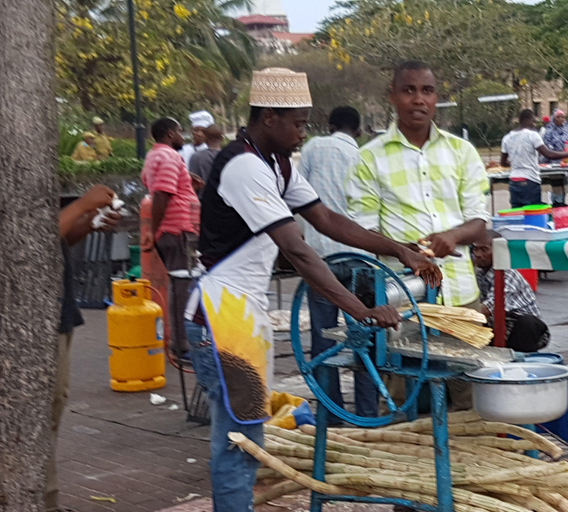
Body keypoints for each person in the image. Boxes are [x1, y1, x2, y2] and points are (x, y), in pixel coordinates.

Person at [186, 67, 440, 512]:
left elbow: (327, 221)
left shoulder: (277, 164)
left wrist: (400, 250)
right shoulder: (245, 166)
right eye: (298, 123)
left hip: (242, 314)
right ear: (269, 117)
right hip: (221, 316)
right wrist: (360, 309)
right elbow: (298, 250)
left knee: (248, 434)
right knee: (238, 442)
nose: (305, 132)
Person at [347, 61, 489, 412]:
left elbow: (480, 220)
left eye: (427, 91)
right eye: (408, 90)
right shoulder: (368, 159)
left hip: (460, 298)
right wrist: (404, 251)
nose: (418, 99)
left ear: (437, 97)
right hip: (402, 301)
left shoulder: (462, 152)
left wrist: (453, 236)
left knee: (471, 403)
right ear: (392, 96)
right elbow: (362, 231)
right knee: (407, 406)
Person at [297, 105, 379, 422]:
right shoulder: (366, 155)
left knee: (323, 337)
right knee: (367, 339)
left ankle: (331, 414)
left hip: (322, 257)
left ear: (329, 126)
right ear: (357, 130)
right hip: (362, 258)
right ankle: (368, 412)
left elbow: (297, 198)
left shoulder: (313, 147)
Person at [47, 185, 120, 512]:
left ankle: (46, 498)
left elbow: (56, 240)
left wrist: (88, 222)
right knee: (40, 408)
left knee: (53, 405)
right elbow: (29, 241)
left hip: (56, 311)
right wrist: (81, 207)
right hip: (29, 318)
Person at [140, 118, 202, 359]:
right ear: (168, 134)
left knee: (179, 286)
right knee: (183, 288)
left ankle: (181, 342)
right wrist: (154, 232)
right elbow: (162, 195)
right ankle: (182, 344)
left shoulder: (153, 157)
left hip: (173, 230)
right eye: (178, 131)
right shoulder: (169, 157)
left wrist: (188, 183)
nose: (182, 136)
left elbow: (156, 185)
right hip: (179, 231)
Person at [472, 230, 549, 353]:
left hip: (522, 330)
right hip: (497, 327)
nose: (478, 254)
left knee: (526, 323)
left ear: (498, 251)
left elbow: (487, 308)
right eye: (475, 249)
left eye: (484, 250)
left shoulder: (508, 275)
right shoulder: (480, 274)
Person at [501, 109, 568, 208]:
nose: (534, 125)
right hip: (530, 181)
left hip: (514, 182)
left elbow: (503, 162)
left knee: (517, 214)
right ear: (526, 120)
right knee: (532, 215)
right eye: (533, 121)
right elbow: (548, 154)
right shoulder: (532, 135)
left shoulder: (507, 138)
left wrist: (517, 162)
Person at [188, 123, 223, 194]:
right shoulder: (228, 156)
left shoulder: (196, 157)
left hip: (203, 199)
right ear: (222, 138)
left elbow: (193, 184)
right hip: (224, 200)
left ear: (206, 138)